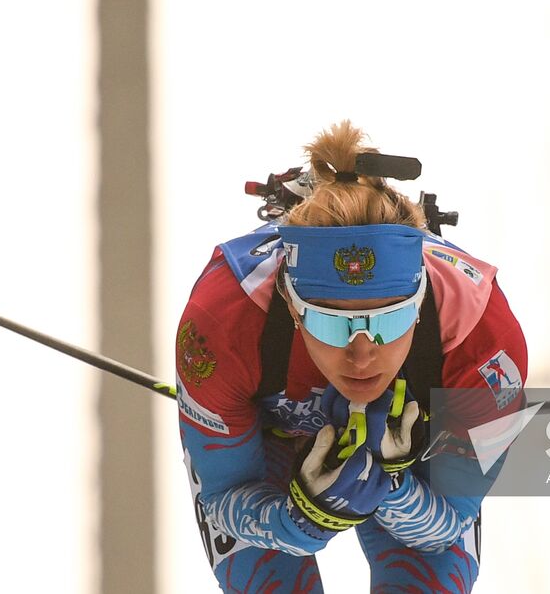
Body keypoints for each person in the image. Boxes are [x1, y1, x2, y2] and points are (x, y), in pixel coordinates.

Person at [175, 121, 528, 593]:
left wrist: (393, 485)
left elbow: (444, 531)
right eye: (331, 323)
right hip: (268, 443)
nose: (361, 355)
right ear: (291, 307)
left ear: (420, 303)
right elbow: (224, 500)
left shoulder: (482, 336)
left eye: (388, 321)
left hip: (420, 453)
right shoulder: (221, 324)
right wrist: (301, 518)